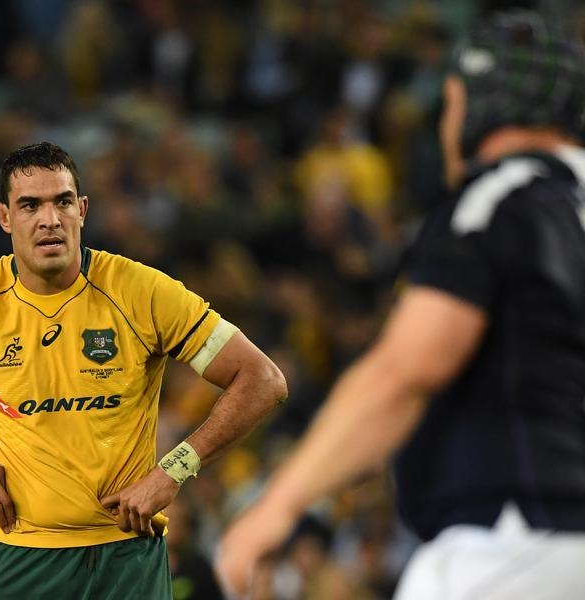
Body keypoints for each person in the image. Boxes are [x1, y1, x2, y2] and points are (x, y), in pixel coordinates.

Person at [216, 10, 585, 599]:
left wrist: (278, 504)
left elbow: (405, 371)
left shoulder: (498, 200)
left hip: (520, 539)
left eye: (452, 103)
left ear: (477, 105)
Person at [0, 141, 288, 599]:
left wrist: (173, 470)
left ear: (82, 210)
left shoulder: (141, 291)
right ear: (4, 217)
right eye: (30, 205)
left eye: (62, 202)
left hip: (126, 557)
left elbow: (262, 379)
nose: (49, 219)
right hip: (18, 558)